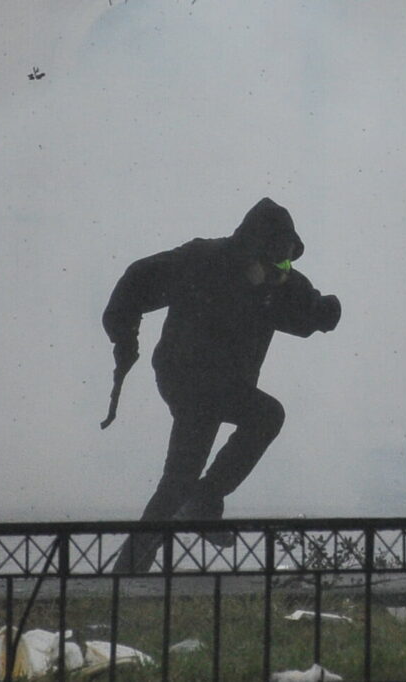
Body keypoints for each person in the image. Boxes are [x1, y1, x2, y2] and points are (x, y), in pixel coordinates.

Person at [102, 198, 341, 572]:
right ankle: (196, 507)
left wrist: (325, 312)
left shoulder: (274, 284)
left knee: (181, 477)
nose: (283, 270)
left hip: (225, 383)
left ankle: (140, 560)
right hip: (186, 377)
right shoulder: (199, 261)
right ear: (252, 250)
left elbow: (303, 313)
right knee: (261, 417)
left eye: (287, 262)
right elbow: (135, 282)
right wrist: (124, 338)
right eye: (275, 260)